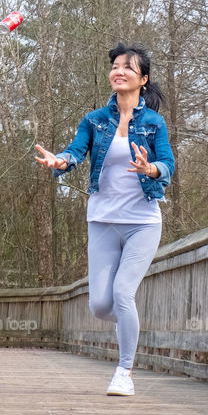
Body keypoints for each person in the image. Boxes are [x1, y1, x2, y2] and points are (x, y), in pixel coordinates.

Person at [34, 43, 175, 396]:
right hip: (102, 221)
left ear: (143, 79)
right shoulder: (95, 119)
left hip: (143, 222)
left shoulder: (154, 123)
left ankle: (124, 372)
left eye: (128, 67)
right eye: (115, 66)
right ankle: (131, 323)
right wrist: (60, 162)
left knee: (123, 293)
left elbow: (168, 165)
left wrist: (150, 167)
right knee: (100, 305)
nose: (119, 71)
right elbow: (76, 151)